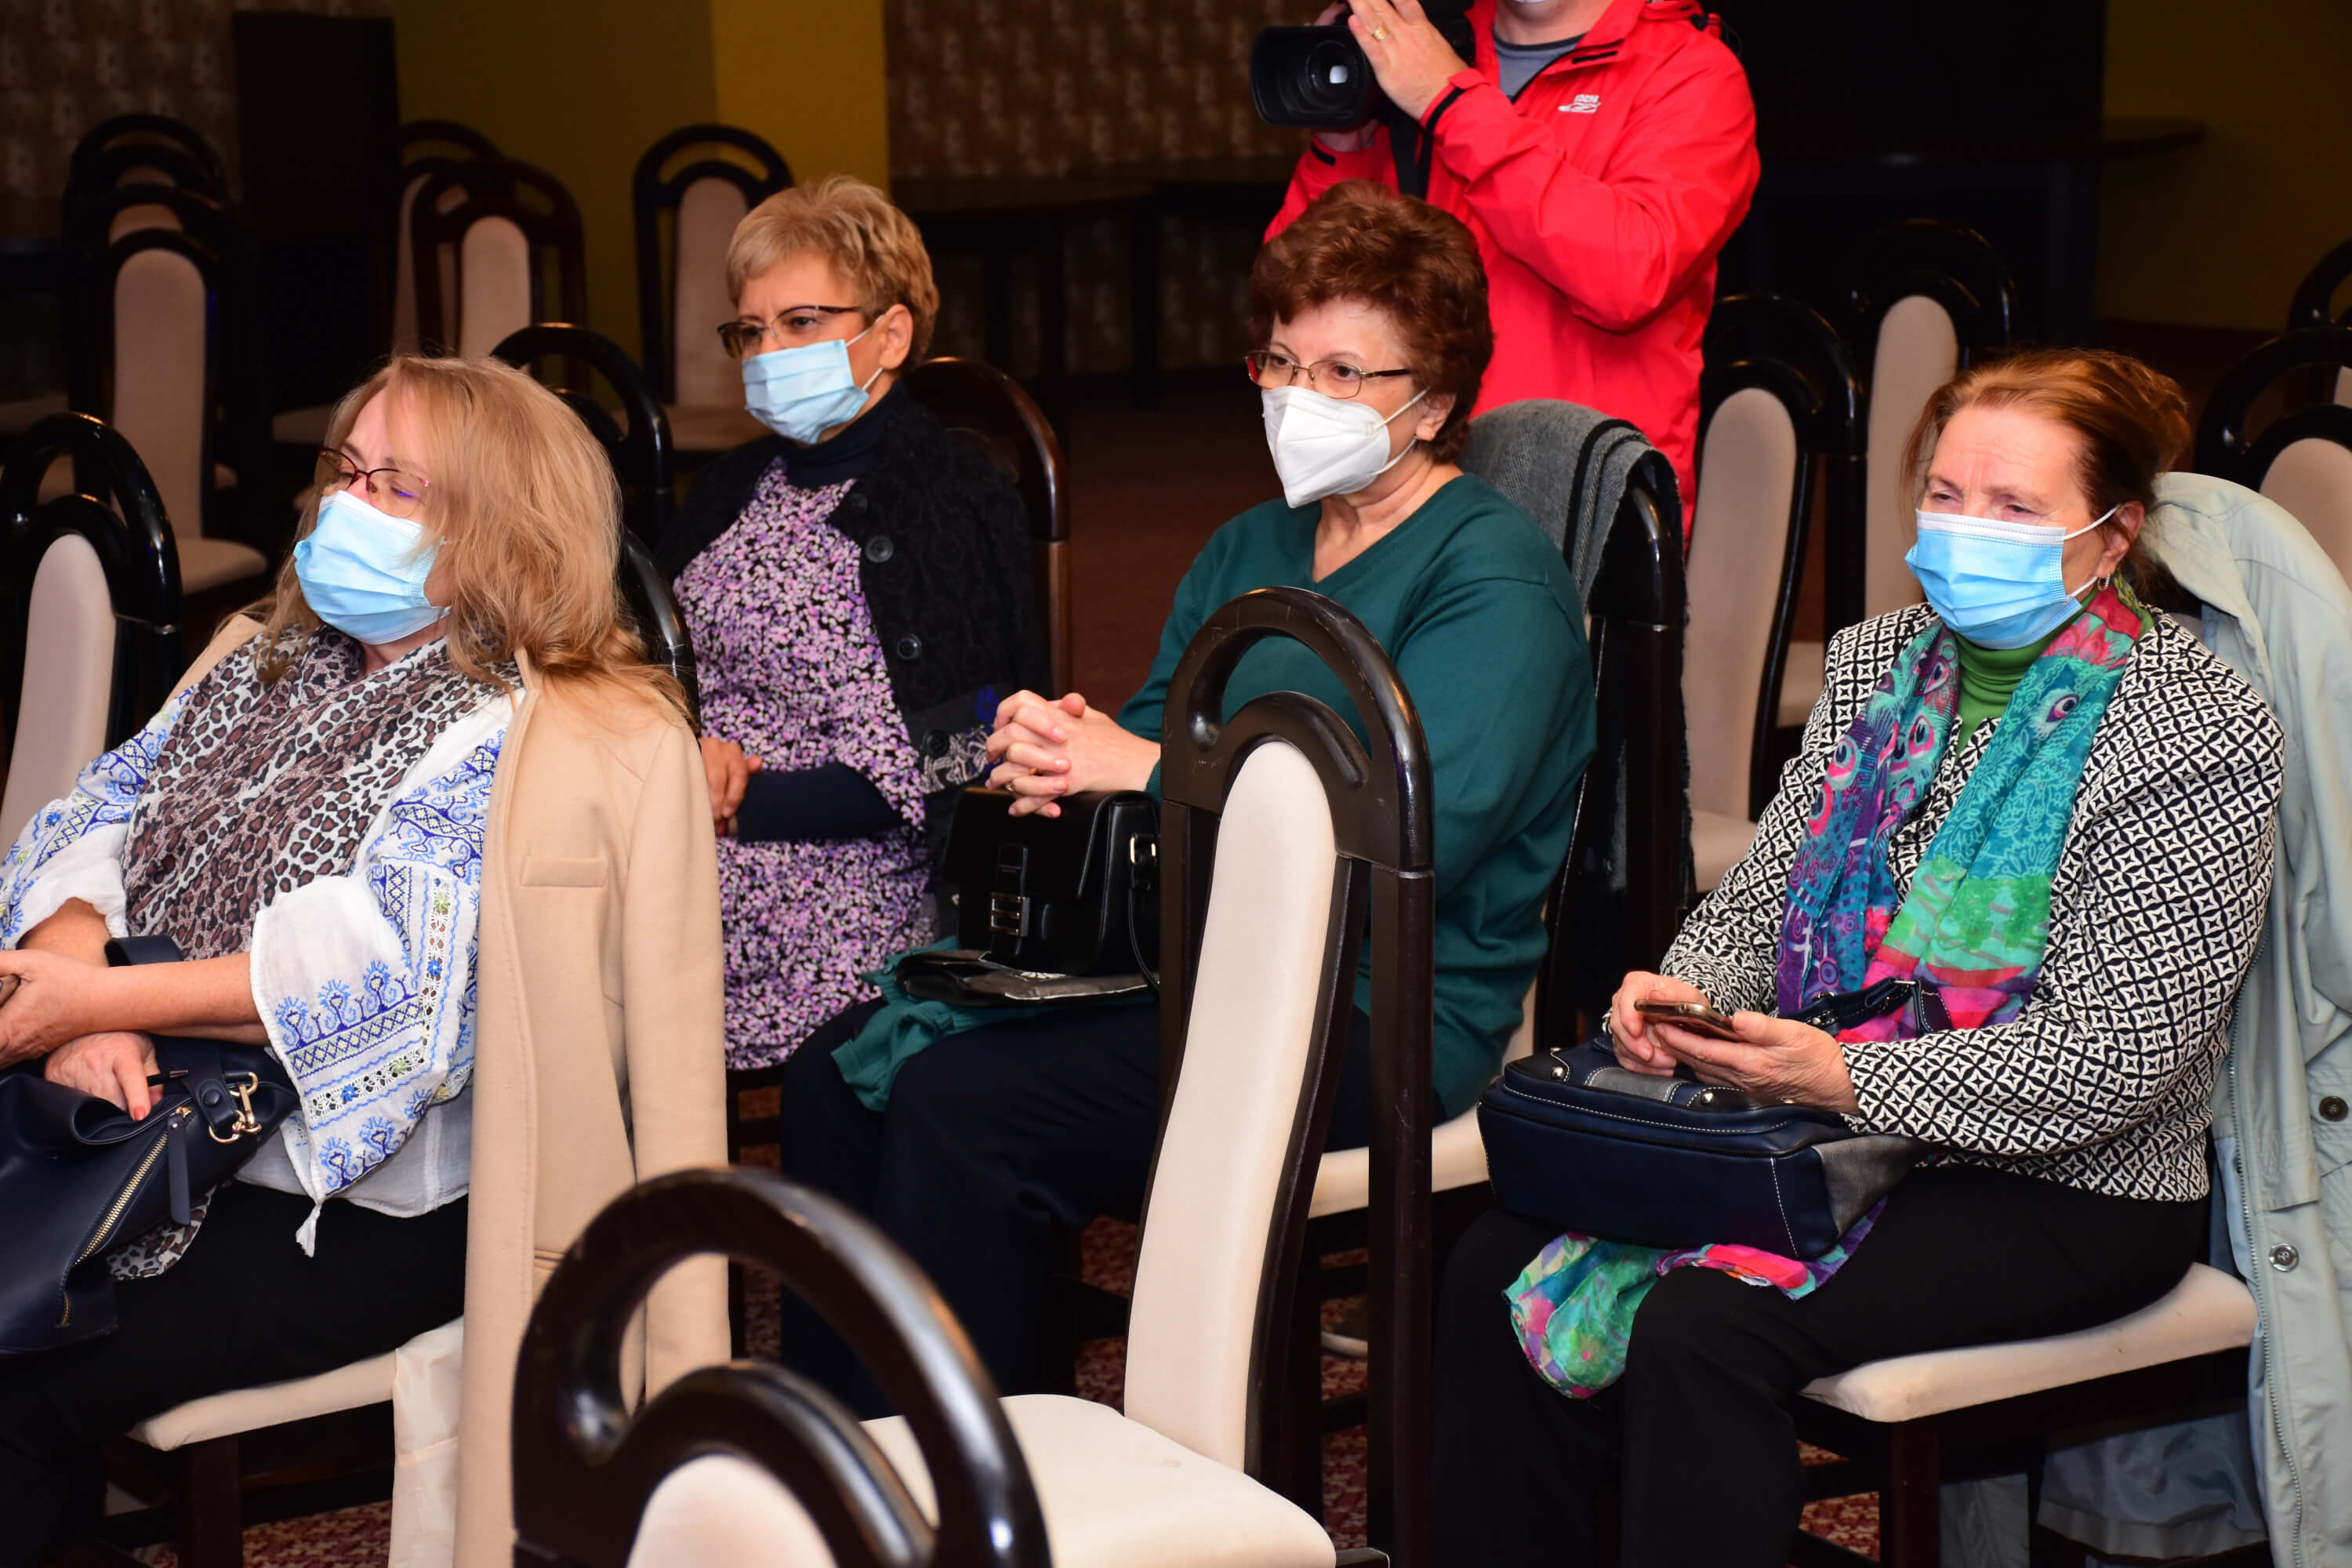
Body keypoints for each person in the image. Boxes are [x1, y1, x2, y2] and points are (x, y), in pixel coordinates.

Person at [1428, 347, 2288, 1566]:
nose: (1966, 530)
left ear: (2111, 536)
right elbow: (1761, 897)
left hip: (2072, 1187)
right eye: (1946, 494)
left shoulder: (2194, 723)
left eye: (2015, 507)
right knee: (1489, 1267)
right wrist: (1688, 993)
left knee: (1701, 1326)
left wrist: (1841, 1076)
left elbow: (2120, 1057)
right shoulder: (1880, 664)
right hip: (1819, 1137)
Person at [775, 180, 1595, 1406]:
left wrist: (1147, 770)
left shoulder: (1494, 581)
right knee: (838, 1073)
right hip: (1186, 954)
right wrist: (1066, 754)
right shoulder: (1251, 544)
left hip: (1376, 1010)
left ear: (1433, 403)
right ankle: (847, 1456)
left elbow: (1414, 834)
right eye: (1282, 363)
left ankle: (977, 1478)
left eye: (1344, 372)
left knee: (963, 1105)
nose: (1299, 397)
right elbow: (1158, 733)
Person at [0, 357, 724, 1564]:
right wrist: (83, 990)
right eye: (348, 470)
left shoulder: (532, 729)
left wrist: (101, 998)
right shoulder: (268, 656)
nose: (348, 503)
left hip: (359, 1207)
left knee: (23, 1386)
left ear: (498, 527)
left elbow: (382, 982)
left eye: (398, 486)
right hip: (158, 1112)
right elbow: (95, 812)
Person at [658, 174, 1037, 1073]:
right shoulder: (730, 485)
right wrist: (672, 749)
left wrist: (725, 804)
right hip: (688, 835)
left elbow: (961, 752)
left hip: (845, 880)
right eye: (751, 330)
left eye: (800, 323)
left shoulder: (951, 496)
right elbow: (645, 651)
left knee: (579, 957)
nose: (767, 352)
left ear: (890, 335)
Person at [1272, 0, 1759, 507]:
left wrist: (1450, 104)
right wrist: (1343, 144)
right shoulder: (1429, 41)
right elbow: (1292, 309)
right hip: (1395, 486)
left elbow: (1632, 276)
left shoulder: (1691, 71)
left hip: (1577, 497)